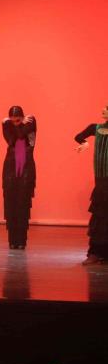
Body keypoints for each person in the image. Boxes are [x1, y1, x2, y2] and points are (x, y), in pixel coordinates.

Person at [75, 103, 108, 265]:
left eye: (107, 108)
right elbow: (78, 136)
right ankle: (95, 252)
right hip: (101, 181)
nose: (104, 109)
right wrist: (85, 143)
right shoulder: (95, 128)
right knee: (100, 216)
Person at [1, 106, 37, 249]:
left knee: (23, 203)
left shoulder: (31, 121)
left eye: (18, 119)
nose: (15, 122)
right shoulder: (7, 125)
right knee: (10, 202)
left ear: (23, 117)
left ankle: (21, 240)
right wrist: (13, 123)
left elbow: (21, 135)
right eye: (12, 120)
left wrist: (13, 123)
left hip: (26, 167)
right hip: (10, 167)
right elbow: (11, 141)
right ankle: (12, 240)